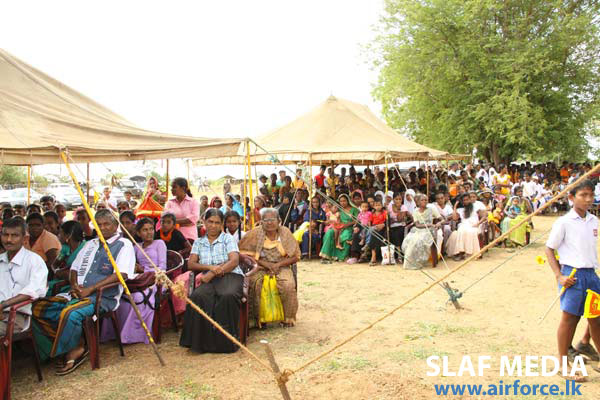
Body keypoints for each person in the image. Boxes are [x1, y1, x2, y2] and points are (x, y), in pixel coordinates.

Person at [32, 209, 135, 373]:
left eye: (107, 224)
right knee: (37, 309)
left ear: (116, 225)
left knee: (70, 313)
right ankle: (68, 343)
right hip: (76, 294)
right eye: (99, 225)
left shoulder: (124, 244)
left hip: (102, 298)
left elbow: (121, 274)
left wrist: (90, 289)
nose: (102, 228)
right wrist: (74, 285)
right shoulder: (90, 244)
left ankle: (75, 349)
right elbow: (74, 268)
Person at [545, 180, 600, 381]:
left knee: (596, 318)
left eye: (591, 195)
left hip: (591, 275)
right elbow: (549, 249)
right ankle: (563, 364)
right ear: (571, 197)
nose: (588, 199)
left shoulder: (593, 221)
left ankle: (589, 348)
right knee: (570, 319)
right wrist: (559, 275)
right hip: (572, 275)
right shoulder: (564, 222)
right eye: (583, 195)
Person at [180, 208, 243, 353]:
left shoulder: (228, 239)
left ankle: (226, 343)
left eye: (217, 223)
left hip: (230, 275)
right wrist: (210, 268)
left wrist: (214, 272)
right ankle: (201, 344)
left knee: (227, 296)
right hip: (209, 277)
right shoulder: (199, 242)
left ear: (222, 224)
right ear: (204, 222)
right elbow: (191, 264)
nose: (213, 226)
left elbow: (234, 261)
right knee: (198, 297)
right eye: (210, 222)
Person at [102, 218, 166, 344]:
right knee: (121, 294)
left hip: (157, 280)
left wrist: (144, 270)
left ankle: (133, 335)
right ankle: (116, 332)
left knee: (138, 297)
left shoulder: (159, 244)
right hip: (139, 279)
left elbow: (163, 268)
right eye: (145, 230)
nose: (149, 232)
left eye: (151, 229)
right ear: (138, 233)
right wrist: (135, 268)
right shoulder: (136, 247)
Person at [239, 208, 299, 327]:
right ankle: (256, 319)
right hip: (259, 267)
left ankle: (288, 318)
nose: (269, 223)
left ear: (279, 221)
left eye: (272, 219)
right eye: (266, 220)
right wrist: (265, 264)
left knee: (288, 285)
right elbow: (243, 254)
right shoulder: (254, 233)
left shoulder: (285, 233)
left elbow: (296, 256)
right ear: (261, 222)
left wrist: (278, 265)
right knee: (255, 284)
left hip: (282, 266)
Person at [0, 218, 48, 336]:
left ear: (24, 238)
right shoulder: (1, 259)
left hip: (16, 317)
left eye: (14, 235)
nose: (9, 240)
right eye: (5, 235)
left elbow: (34, 290)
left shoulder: (34, 261)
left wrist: (3, 305)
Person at [402, 194, 441, 269]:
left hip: (429, 231)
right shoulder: (415, 211)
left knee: (419, 241)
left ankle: (419, 261)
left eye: (426, 200)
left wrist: (439, 223)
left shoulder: (431, 210)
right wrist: (429, 224)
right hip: (418, 230)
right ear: (418, 202)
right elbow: (417, 225)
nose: (424, 201)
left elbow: (442, 219)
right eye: (422, 200)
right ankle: (412, 262)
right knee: (409, 240)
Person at [319, 194, 359, 263]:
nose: (342, 203)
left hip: (350, 227)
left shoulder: (354, 209)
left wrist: (347, 224)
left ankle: (342, 256)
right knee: (329, 232)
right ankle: (326, 255)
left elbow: (357, 220)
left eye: (344, 201)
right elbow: (332, 213)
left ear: (348, 201)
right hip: (339, 227)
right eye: (341, 201)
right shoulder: (339, 209)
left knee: (346, 234)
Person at [446, 194, 483, 261]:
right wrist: (455, 206)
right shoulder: (460, 209)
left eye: (467, 199)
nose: (466, 201)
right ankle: (461, 252)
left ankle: (467, 253)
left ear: (470, 200)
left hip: (474, 226)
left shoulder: (476, 207)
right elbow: (454, 218)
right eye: (464, 200)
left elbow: (485, 216)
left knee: (468, 231)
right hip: (464, 225)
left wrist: (478, 223)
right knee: (461, 230)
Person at [368, 199, 388, 266]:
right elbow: (370, 222)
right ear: (373, 206)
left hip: (382, 228)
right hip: (374, 227)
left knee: (373, 233)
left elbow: (387, 221)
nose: (378, 207)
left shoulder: (384, 212)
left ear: (382, 205)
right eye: (376, 205)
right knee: (372, 232)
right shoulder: (372, 213)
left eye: (379, 205)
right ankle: (373, 257)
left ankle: (373, 256)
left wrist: (383, 224)